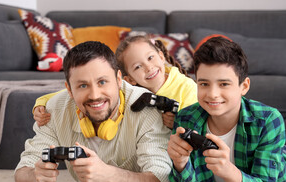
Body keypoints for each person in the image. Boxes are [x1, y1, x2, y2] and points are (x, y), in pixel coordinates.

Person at [167, 36, 286, 182]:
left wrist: (228, 170)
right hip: (267, 153)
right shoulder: (186, 118)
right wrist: (180, 164)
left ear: (244, 86)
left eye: (224, 84)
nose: (212, 94)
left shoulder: (268, 119)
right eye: (204, 84)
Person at [15, 41, 172, 182]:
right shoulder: (54, 109)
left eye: (102, 82)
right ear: (69, 89)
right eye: (83, 85)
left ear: (119, 79)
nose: (95, 95)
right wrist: (36, 176)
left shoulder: (147, 108)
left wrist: (108, 174)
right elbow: (21, 179)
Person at [33, 35, 197, 129]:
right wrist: (41, 103)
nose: (148, 67)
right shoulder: (130, 89)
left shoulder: (186, 88)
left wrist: (176, 123)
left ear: (161, 57)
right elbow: (75, 92)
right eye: (138, 66)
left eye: (150, 58)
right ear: (128, 79)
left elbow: (200, 125)